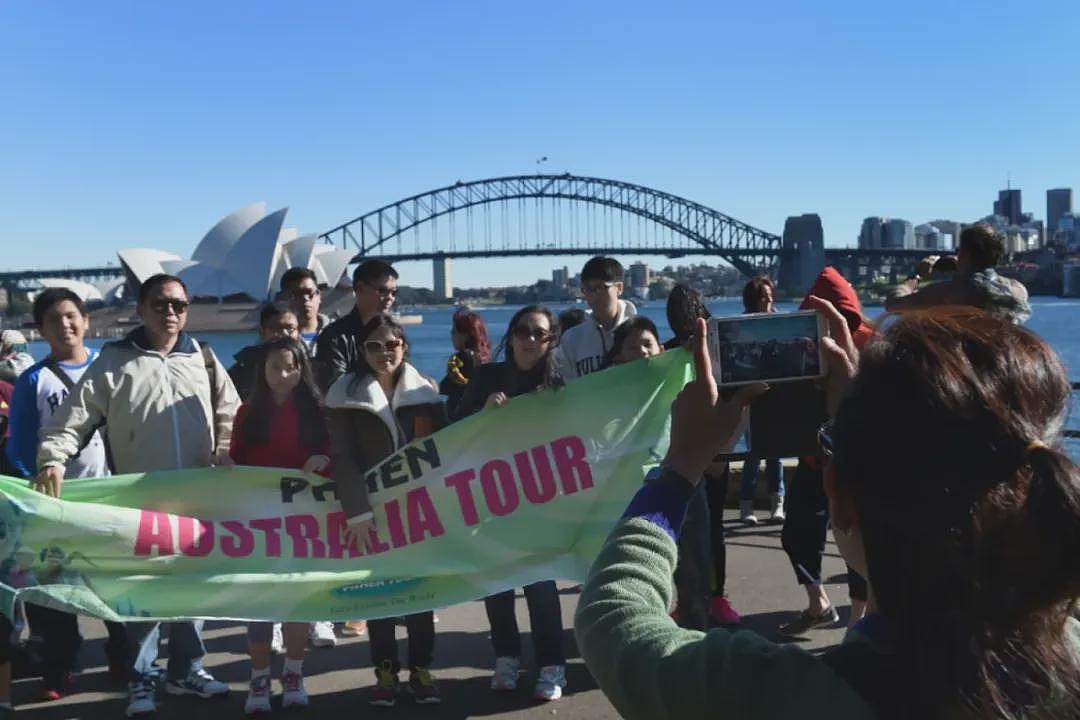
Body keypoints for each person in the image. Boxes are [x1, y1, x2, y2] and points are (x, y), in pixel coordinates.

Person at [575, 306, 1080, 719]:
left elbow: (615, 619)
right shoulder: (1065, 663)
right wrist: (864, 429)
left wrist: (681, 466)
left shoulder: (767, 696)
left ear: (838, 493)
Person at [35, 274, 240, 717]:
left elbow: (231, 412)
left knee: (194, 591)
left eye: (179, 305)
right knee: (143, 594)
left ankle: (186, 670)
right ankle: (141, 677)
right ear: (142, 308)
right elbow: (71, 420)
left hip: (199, 496)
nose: (171, 313)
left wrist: (226, 449)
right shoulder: (114, 361)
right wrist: (52, 459)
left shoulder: (203, 358)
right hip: (141, 499)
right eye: (161, 304)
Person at [5, 288, 128, 699]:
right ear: (40, 330)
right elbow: (20, 445)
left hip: (111, 498)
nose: (65, 325)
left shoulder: (111, 368)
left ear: (86, 320)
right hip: (56, 504)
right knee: (51, 592)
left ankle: (125, 659)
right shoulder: (32, 381)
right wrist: (35, 488)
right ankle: (58, 668)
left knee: (114, 584)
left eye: (72, 316)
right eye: (54, 320)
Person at [324, 315, 445, 706]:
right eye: (373, 346)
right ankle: (386, 672)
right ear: (362, 351)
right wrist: (357, 512)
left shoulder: (424, 392)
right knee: (381, 596)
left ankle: (422, 670)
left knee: (421, 597)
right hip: (373, 513)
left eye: (390, 344)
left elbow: (449, 446)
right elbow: (343, 459)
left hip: (419, 510)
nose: (383, 353)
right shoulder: (346, 394)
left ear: (403, 346)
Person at [456, 305, 568, 700]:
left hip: (540, 501)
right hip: (491, 499)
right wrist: (483, 414)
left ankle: (552, 665)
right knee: (498, 584)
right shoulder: (487, 377)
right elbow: (455, 431)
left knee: (540, 585)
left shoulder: (560, 386)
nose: (528, 339)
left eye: (538, 333)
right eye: (522, 330)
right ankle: (506, 656)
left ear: (551, 339)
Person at [229, 338, 332, 713]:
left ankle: (293, 674)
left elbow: (335, 457)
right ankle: (258, 680)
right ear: (263, 370)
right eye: (275, 367)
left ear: (303, 370)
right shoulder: (247, 412)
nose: (283, 374)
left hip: (303, 524)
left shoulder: (319, 413)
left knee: (295, 601)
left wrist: (324, 459)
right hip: (257, 522)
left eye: (291, 367)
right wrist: (224, 466)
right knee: (259, 602)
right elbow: (236, 460)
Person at [779, 267, 872, 636]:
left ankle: (859, 618)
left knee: (856, 537)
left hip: (856, 462)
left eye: (836, 318)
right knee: (796, 532)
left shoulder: (876, 345)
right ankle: (819, 603)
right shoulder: (799, 347)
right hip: (814, 456)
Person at [662, 287, 739, 628]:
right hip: (704, 453)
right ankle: (706, 598)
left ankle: (708, 598)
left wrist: (719, 454)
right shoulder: (717, 350)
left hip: (696, 455)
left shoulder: (709, 351)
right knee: (706, 531)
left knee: (703, 531)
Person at [886, 223, 1031, 323]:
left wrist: (916, 276)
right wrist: (962, 269)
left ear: (964, 254)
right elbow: (983, 281)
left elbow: (893, 305)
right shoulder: (1018, 289)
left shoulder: (948, 293)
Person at [739, 276, 784, 525]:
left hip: (775, 396)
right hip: (750, 397)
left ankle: (777, 504)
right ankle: (747, 507)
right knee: (753, 453)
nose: (770, 301)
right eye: (765, 297)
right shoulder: (741, 327)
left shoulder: (778, 323)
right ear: (753, 300)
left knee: (776, 452)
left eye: (771, 297)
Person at [314, 259, 398, 392]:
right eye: (382, 290)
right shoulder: (334, 337)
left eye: (394, 292)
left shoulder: (394, 333)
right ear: (359, 288)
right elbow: (335, 387)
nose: (390, 297)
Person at [557, 256, 636, 379]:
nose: (593, 295)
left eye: (600, 287)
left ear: (619, 288)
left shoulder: (639, 333)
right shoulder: (571, 339)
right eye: (587, 289)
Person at [228, 303, 300, 400]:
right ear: (262, 332)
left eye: (290, 328)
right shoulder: (242, 371)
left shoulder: (309, 367)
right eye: (276, 328)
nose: (284, 334)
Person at [439, 309, 491, 419]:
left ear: (465, 335)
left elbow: (446, 387)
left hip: (459, 417)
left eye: (454, 332)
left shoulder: (460, 359)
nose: (451, 336)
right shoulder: (483, 358)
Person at [279, 267, 331, 353]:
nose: (305, 299)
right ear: (285, 299)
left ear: (318, 295)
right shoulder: (277, 338)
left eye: (309, 293)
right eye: (297, 294)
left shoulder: (338, 332)